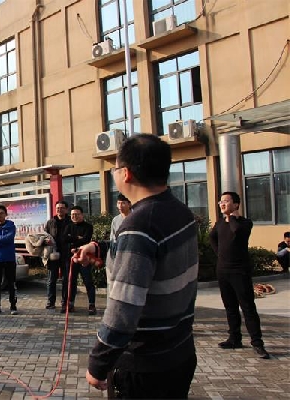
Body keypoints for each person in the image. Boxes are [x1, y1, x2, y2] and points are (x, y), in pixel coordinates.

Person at [73, 134, 198, 398]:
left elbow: (124, 308)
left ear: (126, 174)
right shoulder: (180, 211)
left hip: (147, 365)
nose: (114, 173)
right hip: (181, 351)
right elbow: (155, 254)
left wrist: (99, 363)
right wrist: (100, 247)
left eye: (115, 168)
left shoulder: (139, 225)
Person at [209, 191, 270, 359]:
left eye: (226, 201)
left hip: (239, 271)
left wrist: (232, 217)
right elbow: (212, 238)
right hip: (223, 271)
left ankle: (257, 343)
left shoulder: (244, 223)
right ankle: (234, 338)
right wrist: (219, 254)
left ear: (236, 204)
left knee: (248, 307)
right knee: (230, 307)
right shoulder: (220, 223)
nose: (222, 204)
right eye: (220, 201)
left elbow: (236, 231)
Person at [61, 206, 95, 315]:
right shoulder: (68, 226)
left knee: (88, 281)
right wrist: (77, 238)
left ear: (82, 215)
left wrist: (72, 240)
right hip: (71, 258)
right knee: (71, 281)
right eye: (72, 214)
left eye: (77, 214)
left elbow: (86, 240)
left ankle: (92, 304)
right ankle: (70, 304)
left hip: (84, 258)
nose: (74, 216)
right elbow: (64, 239)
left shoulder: (88, 227)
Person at [44, 200, 71, 310]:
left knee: (66, 279)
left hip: (66, 254)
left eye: (62, 208)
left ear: (66, 209)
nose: (60, 210)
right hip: (53, 254)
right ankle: (51, 302)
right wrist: (46, 241)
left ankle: (65, 302)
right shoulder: (50, 222)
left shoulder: (70, 222)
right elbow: (44, 235)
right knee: (51, 279)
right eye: (58, 208)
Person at [106, 194, 132, 304]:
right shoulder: (115, 220)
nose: (120, 206)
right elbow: (113, 239)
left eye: (123, 203)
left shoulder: (136, 217)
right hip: (116, 256)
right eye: (118, 203)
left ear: (129, 204)